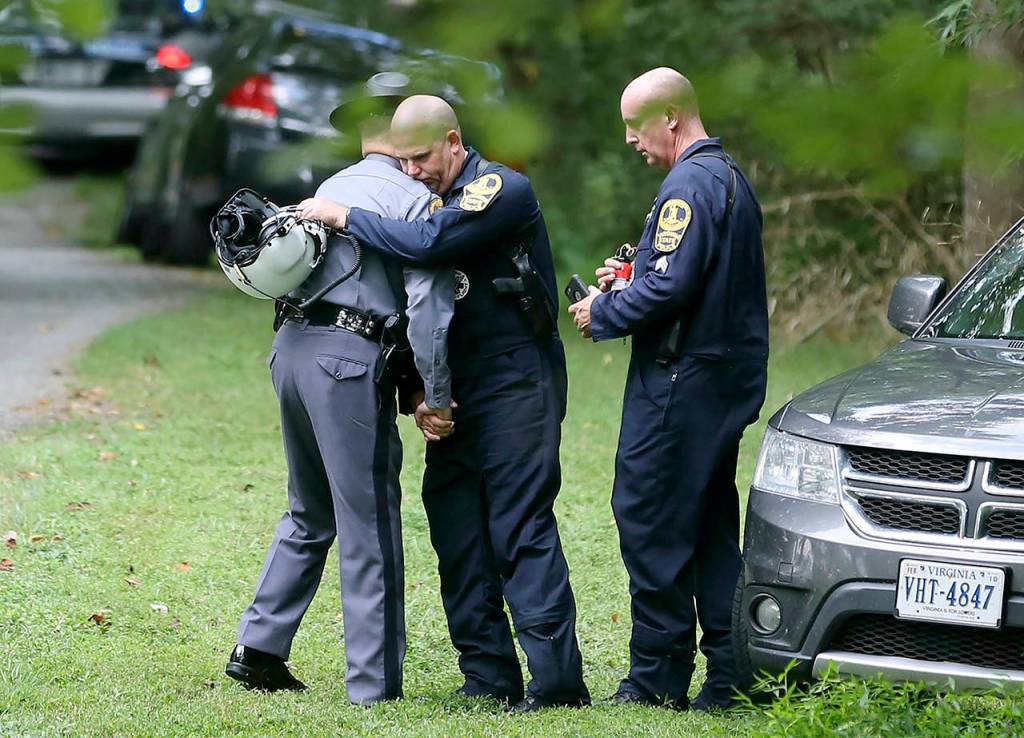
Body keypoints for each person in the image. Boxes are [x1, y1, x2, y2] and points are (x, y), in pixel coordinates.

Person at [297, 95, 590, 713]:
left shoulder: (499, 188)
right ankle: (487, 675)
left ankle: (557, 684)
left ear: (454, 141)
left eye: (422, 158)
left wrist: (342, 214)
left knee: (518, 526)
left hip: (517, 380)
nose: (412, 173)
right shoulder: (433, 193)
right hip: (455, 391)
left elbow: (428, 244)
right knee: (456, 527)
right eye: (400, 162)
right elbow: (416, 304)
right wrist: (422, 392)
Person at [225, 73, 455, 704]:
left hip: (291, 352)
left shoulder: (333, 187)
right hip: (348, 361)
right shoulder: (412, 197)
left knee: (308, 509)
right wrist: (433, 391)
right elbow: (428, 310)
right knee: (370, 522)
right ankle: (373, 684)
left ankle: (259, 648)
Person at [568, 67, 769, 710]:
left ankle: (656, 679)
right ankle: (733, 674)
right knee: (709, 526)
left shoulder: (685, 185)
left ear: (671, 120)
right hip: (722, 381)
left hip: (681, 381)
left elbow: (672, 288)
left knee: (649, 515)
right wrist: (630, 277)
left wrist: (603, 312)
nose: (630, 140)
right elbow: (690, 278)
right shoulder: (731, 179)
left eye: (635, 126)